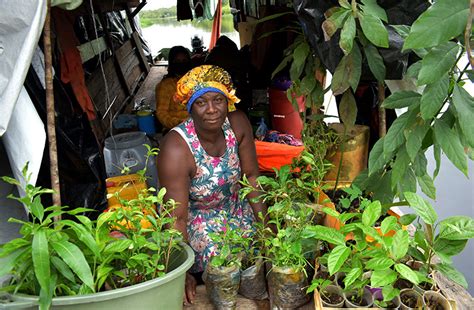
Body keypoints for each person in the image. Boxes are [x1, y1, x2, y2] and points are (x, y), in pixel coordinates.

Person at [157, 65, 266, 305]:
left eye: (218, 100)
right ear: (190, 107)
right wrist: (181, 271)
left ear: (228, 101)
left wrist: (268, 228)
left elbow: (251, 177)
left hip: (235, 207)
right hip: (198, 218)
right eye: (201, 102)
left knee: (261, 255)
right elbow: (176, 218)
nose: (212, 110)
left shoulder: (237, 124)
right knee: (221, 265)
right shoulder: (176, 148)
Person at [155, 46, 192, 130]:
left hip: (197, 125)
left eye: (184, 61)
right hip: (176, 128)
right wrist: (179, 123)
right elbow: (161, 113)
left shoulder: (195, 81)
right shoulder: (165, 86)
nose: (182, 64)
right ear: (172, 63)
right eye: (177, 61)